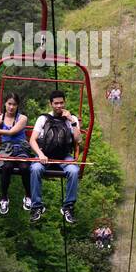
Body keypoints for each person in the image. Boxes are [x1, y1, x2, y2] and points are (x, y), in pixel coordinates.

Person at [28, 90, 81, 226]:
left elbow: (78, 140)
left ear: (65, 102)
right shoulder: (43, 119)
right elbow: (32, 140)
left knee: (74, 171)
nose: (59, 106)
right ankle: (36, 206)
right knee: (35, 169)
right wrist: (40, 155)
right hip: (45, 155)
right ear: (51, 104)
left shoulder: (71, 119)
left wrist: (72, 122)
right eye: (56, 103)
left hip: (64, 157)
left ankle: (68, 207)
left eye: (61, 103)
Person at [0, 90, 32, 214]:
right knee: (6, 167)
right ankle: (4, 198)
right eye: (9, 104)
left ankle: (28, 195)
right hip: (7, 150)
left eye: (14, 104)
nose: (11, 107)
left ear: (17, 106)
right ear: (5, 104)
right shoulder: (1, 118)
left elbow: (12, 132)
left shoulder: (22, 118)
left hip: (20, 148)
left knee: (25, 167)